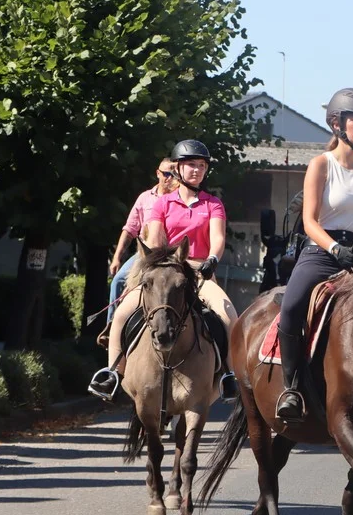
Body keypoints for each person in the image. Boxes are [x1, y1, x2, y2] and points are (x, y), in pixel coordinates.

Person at [275, 87, 353, 422]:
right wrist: (333, 248)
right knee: (291, 307)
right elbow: (309, 221)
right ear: (336, 124)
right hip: (321, 250)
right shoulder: (321, 165)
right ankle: (292, 388)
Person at [88, 139, 239, 402]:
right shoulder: (162, 203)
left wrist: (213, 258)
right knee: (123, 311)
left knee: (228, 315)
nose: (197, 170)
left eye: (201, 166)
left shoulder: (213, 204)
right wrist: (161, 261)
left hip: (199, 269)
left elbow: (218, 237)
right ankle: (112, 371)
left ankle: (229, 375)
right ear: (178, 169)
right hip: (166, 269)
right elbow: (156, 240)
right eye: (191, 165)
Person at [104, 159, 177, 333]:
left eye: (174, 174)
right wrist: (116, 258)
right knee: (119, 281)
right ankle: (112, 327)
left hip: (169, 254)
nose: (170, 178)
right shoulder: (145, 198)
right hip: (145, 254)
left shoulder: (177, 199)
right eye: (167, 173)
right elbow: (130, 229)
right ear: (158, 173)